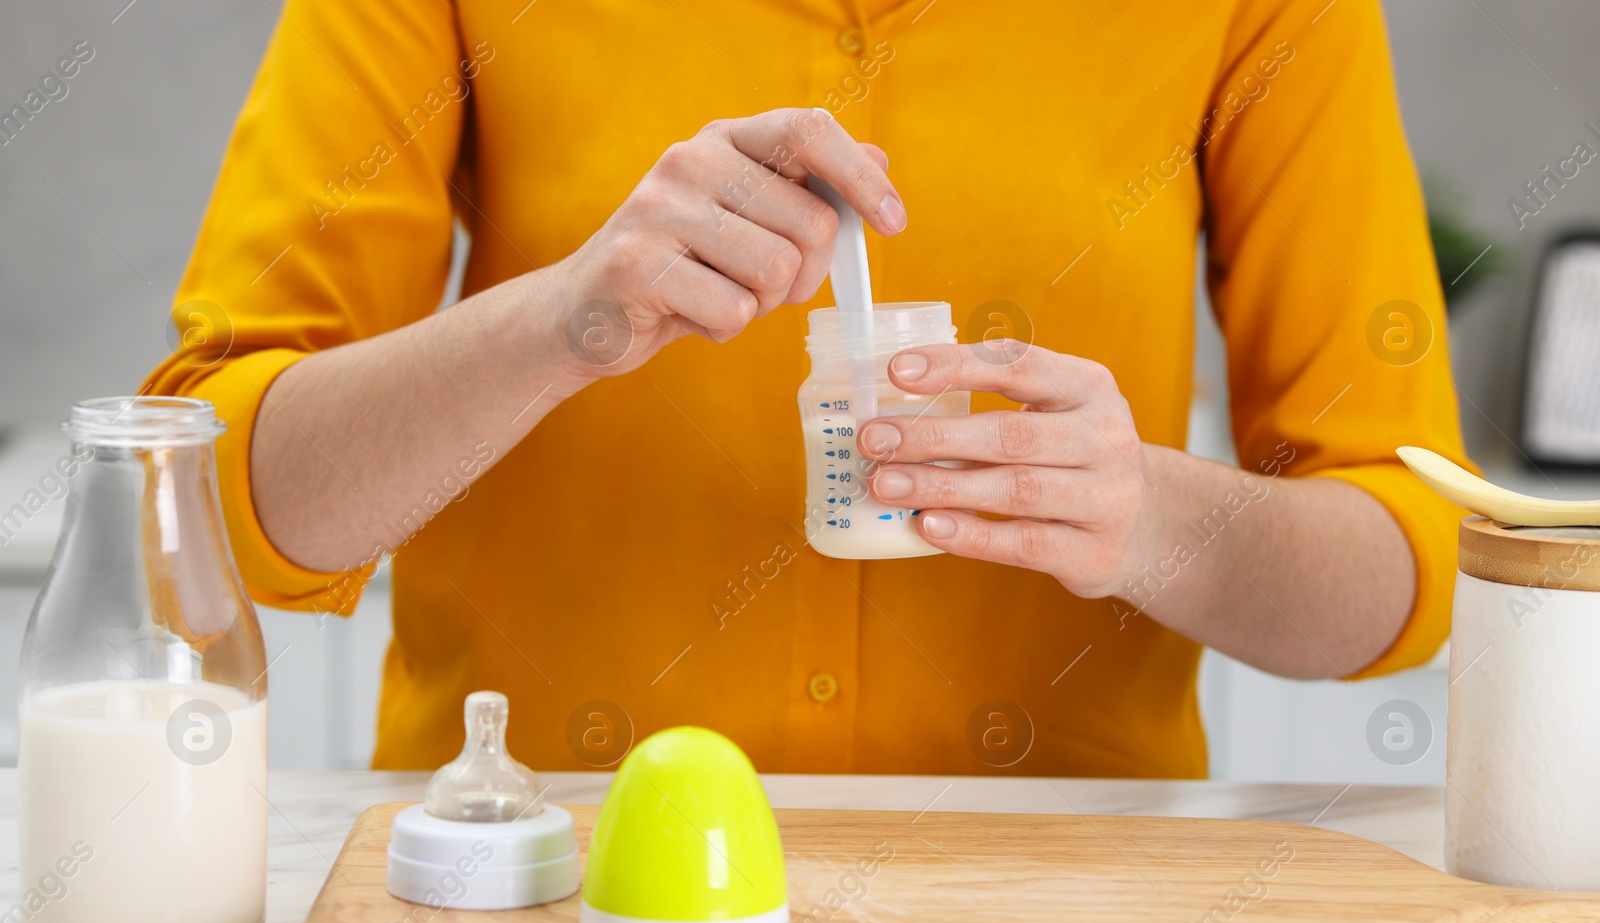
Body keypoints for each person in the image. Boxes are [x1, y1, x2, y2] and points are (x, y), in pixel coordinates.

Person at [145, 0, 1470, 778]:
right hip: (534, 888)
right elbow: (204, 503)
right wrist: (563, 320)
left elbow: (1405, 567)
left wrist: (1151, 519)